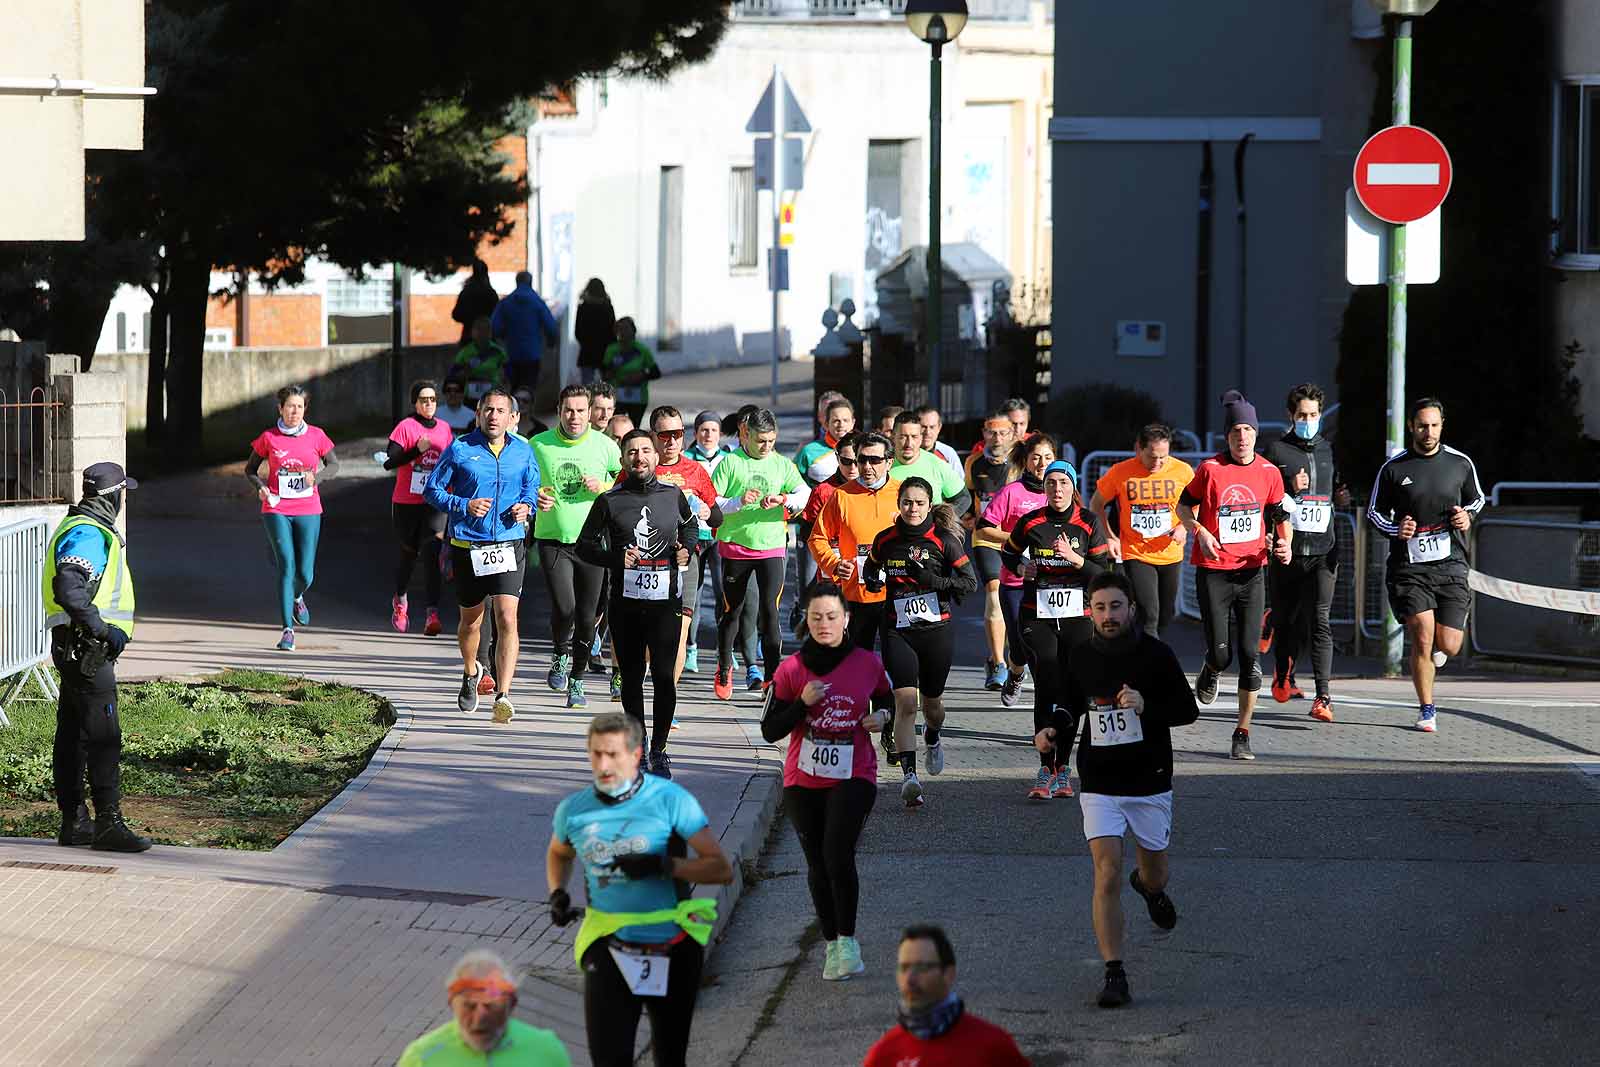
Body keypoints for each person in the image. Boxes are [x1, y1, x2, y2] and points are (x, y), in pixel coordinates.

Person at [1034, 572, 1198, 1010]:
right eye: (1100, 607)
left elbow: (1188, 710)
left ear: (1131, 609)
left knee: (1154, 873)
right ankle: (1114, 972)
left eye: (1116, 607)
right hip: (1100, 780)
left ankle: (1150, 888)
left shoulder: (1156, 655)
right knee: (1105, 871)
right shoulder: (1082, 655)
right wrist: (1052, 732)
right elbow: (1069, 707)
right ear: (1090, 611)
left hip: (1149, 779)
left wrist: (1147, 706)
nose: (1108, 615)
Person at [546, 713, 734, 1067]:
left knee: (669, 1058)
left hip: (672, 944)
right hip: (609, 942)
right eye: (595, 754)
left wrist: (665, 865)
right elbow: (559, 852)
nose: (603, 764)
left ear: (635, 755)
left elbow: (721, 869)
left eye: (612, 754)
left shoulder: (671, 800)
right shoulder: (573, 810)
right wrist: (557, 892)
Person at [761, 583, 891, 980]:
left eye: (832, 616)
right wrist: (802, 704)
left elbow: (887, 699)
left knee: (837, 852)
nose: (824, 624)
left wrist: (882, 718)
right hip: (803, 776)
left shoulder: (867, 663)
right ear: (807, 621)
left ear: (846, 619)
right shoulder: (791, 670)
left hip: (855, 771)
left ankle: (848, 941)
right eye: (816, 617)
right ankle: (833, 944)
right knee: (817, 862)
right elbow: (769, 731)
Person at [1177, 391, 1292, 760]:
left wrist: (1285, 544)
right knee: (1224, 654)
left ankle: (1242, 732)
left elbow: (1278, 514)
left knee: (1250, 656)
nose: (1242, 437)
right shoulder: (1210, 470)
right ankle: (1211, 667)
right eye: (1236, 430)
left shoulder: (1269, 473)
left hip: (1252, 571)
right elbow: (1183, 506)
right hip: (1214, 572)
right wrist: (1200, 531)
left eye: (1248, 430)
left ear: (1256, 434)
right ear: (1227, 436)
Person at [42, 462, 150, 853]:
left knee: (72, 734)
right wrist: (104, 630)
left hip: (74, 647)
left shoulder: (82, 526)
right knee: (104, 738)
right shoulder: (89, 532)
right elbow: (70, 587)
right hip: (87, 649)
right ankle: (108, 824)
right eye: (124, 493)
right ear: (114, 496)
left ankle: (75, 822)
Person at [577, 430, 699, 774]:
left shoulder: (673, 495)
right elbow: (585, 546)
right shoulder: (609, 501)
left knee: (663, 676)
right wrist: (617, 559)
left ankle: (659, 749)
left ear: (656, 457)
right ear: (623, 461)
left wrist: (685, 549)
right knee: (631, 678)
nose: (639, 457)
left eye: (646, 450)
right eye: (632, 452)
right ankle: (640, 747)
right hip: (626, 605)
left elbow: (691, 529)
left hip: (665, 603)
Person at [1367, 397, 1484, 733]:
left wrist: (1467, 516)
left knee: (1449, 645)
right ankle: (1427, 709)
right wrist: (1395, 529)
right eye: (1421, 425)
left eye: (1433, 425)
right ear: (1411, 427)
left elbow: (1477, 498)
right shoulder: (1394, 468)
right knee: (1421, 636)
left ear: (1441, 425)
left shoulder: (1460, 463)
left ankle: (1442, 647)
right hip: (1410, 568)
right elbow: (1375, 511)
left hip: (1450, 565)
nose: (1428, 431)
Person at [424, 387, 539, 724]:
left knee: (507, 617)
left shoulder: (523, 450)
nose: (493, 416)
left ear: (511, 417)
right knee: (471, 621)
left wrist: (526, 508)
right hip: (469, 546)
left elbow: (531, 486)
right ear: (478, 413)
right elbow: (433, 490)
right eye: (488, 410)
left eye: (500, 411)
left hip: (509, 544)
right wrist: (464, 505)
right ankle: (470, 670)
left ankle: (503, 694)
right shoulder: (460, 449)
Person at [865, 478, 977, 808]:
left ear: (929, 506)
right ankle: (909, 777)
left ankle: (933, 735)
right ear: (898, 505)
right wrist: (872, 579)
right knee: (905, 703)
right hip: (897, 629)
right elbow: (872, 566)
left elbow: (968, 584)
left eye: (918, 503)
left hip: (935, 631)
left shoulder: (944, 541)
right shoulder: (885, 539)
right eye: (907, 503)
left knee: (932, 707)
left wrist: (934, 581)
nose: (912, 509)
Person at [1001, 460, 1109, 800]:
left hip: (1078, 615)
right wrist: (1022, 565)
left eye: (1063, 482)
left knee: (1073, 689)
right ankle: (1045, 767)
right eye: (1051, 483)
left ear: (1073, 487)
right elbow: (1007, 554)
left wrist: (1074, 559)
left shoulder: (1088, 523)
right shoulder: (1031, 521)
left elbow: (1102, 572)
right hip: (1038, 615)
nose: (1057, 489)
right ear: (1044, 488)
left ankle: (1063, 768)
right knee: (1047, 678)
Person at [1262, 383, 1350, 721]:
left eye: (1313, 415)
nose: (1308, 420)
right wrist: (1289, 488)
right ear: (1291, 416)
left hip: (1324, 552)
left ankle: (1323, 697)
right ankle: (1283, 673)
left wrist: (1342, 497)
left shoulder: (1330, 450)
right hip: (1288, 551)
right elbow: (1266, 501)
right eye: (1302, 415)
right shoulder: (1276, 452)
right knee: (1287, 621)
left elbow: (1337, 489)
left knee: (1320, 620)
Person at [531, 385, 622, 708]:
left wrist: (605, 486)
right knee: (565, 607)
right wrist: (533, 498)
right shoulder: (539, 445)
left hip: (592, 543)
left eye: (581, 410)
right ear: (559, 411)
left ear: (589, 412)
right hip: (553, 539)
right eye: (569, 410)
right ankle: (559, 653)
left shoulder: (605, 446)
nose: (575, 416)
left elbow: (626, 482)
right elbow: (521, 483)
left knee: (587, 616)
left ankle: (578, 680)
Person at [711, 408, 808, 701]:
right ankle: (725, 666)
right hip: (735, 546)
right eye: (761, 441)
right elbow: (711, 502)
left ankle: (771, 677)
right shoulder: (731, 463)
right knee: (734, 610)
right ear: (746, 435)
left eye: (771, 441)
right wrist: (738, 502)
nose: (766, 446)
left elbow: (804, 493)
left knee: (770, 612)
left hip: (772, 546)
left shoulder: (782, 464)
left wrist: (785, 499)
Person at [245, 385, 339, 652]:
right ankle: (287, 630)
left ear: (305, 409)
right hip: (276, 508)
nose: (294, 411)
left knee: (305, 573)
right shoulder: (269, 437)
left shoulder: (317, 436)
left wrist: (316, 477)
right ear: (280, 409)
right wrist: (260, 488)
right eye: (289, 407)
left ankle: (298, 596)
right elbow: (250, 469)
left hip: (309, 508)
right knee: (286, 566)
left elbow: (334, 465)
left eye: (299, 407)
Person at [863, 925, 1030, 1066]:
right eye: (904, 968)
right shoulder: (884, 1056)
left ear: (948, 974)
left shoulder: (993, 1047)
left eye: (922, 967)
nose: (910, 978)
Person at [974, 432, 1056, 708]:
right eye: (1036, 458)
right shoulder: (1012, 492)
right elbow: (983, 527)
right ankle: (1016, 674)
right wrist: (1016, 538)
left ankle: (1052, 696)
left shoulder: (1060, 491)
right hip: (1016, 579)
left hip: (1052, 580)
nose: (1042, 463)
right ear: (1026, 461)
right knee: (1020, 643)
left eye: (1047, 457)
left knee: (1048, 640)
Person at [1090, 424, 1194, 639]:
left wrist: (1184, 526)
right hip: (1136, 552)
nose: (1157, 463)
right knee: (1149, 615)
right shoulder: (1121, 472)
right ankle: (1149, 668)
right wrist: (1110, 536)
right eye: (1152, 457)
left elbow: (1196, 503)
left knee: (1166, 615)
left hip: (1170, 553)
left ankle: (1137, 652)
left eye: (1163, 457)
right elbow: (1096, 504)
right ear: (1139, 448)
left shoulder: (1183, 471)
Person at [648, 406, 723, 684]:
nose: (671, 441)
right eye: (665, 435)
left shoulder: (695, 470)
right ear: (654, 436)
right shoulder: (642, 467)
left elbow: (718, 516)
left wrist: (706, 512)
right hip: (648, 563)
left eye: (677, 434)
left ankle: (667, 697)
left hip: (685, 560)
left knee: (679, 632)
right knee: (651, 638)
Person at [396, 949, 570, 1066]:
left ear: (512, 1005)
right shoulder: (421, 1057)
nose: (480, 1018)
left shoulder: (547, 1051)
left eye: (490, 1006)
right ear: (451, 1004)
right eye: (469, 1006)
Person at [382, 380, 454, 636]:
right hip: (406, 502)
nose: (429, 404)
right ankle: (400, 600)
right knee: (409, 555)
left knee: (432, 553)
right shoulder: (406, 427)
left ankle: (431, 613)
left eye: (433, 399)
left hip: (434, 501)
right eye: (424, 399)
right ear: (415, 402)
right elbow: (389, 462)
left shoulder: (445, 429)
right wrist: (416, 451)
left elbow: (451, 462)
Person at [964, 411, 1017, 689]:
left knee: (1013, 603)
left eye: (1003, 433)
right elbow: (967, 497)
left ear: (1013, 435)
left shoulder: (1021, 464)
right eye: (991, 432)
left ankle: (1008, 656)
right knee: (994, 594)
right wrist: (968, 516)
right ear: (984, 434)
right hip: (985, 538)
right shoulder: (973, 463)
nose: (997, 438)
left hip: (1016, 540)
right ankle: (998, 663)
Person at [683, 410, 729, 674]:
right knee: (695, 595)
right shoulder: (687, 460)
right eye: (703, 430)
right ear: (696, 433)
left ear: (720, 433)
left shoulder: (729, 460)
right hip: (695, 534)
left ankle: (725, 650)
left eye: (713, 430)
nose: (708, 434)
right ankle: (691, 648)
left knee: (724, 593)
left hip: (720, 534)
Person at [491, 270, 560, 397]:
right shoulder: (537, 302)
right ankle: (527, 413)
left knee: (513, 389)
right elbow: (551, 327)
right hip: (532, 354)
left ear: (517, 282)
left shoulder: (506, 303)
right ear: (531, 282)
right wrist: (551, 343)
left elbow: (495, 328)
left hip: (511, 354)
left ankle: (514, 414)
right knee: (529, 389)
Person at [886, 411, 969, 513]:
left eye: (914, 437)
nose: (909, 443)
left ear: (921, 437)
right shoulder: (882, 465)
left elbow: (964, 498)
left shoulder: (937, 464)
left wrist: (942, 521)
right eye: (903, 437)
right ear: (893, 436)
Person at [600, 317, 661, 425]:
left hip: (638, 398)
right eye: (620, 329)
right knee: (615, 427)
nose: (624, 333)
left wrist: (641, 376)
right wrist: (613, 373)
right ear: (616, 332)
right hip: (617, 397)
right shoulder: (612, 350)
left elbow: (656, 373)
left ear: (634, 331)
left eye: (627, 329)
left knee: (634, 429)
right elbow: (604, 374)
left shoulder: (642, 350)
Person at [452, 315, 510, 405]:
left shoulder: (498, 352)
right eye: (479, 329)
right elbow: (453, 375)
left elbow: (508, 375)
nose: (482, 333)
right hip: (470, 396)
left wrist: (502, 384)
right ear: (472, 332)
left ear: (490, 332)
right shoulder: (465, 352)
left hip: (493, 395)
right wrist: (465, 372)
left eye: (486, 330)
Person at [574, 277, 616, 386]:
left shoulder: (583, 308)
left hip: (587, 351)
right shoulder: (607, 307)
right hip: (605, 351)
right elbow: (613, 331)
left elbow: (577, 332)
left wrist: (585, 342)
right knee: (606, 388)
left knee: (586, 387)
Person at [449, 259, 500, 344]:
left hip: (469, 336)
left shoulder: (466, 292)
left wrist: (469, 319)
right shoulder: (491, 293)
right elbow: (497, 316)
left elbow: (456, 315)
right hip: (487, 338)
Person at [914, 405, 964, 479]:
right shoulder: (906, 452)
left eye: (932, 427)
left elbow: (960, 485)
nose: (927, 432)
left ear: (939, 427)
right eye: (923, 427)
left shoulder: (948, 453)